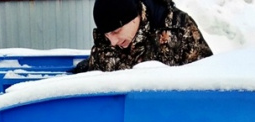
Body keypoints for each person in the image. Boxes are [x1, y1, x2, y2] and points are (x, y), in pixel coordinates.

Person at [73, 0, 212, 73]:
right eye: (107, 35)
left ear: (134, 17)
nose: (113, 42)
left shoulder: (179, 29)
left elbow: (206, 78)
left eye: (116, 32)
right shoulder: (106, 43)